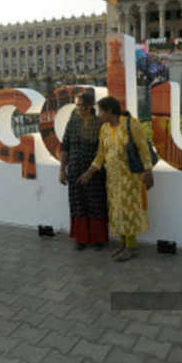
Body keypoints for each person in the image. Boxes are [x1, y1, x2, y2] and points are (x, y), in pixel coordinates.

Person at [78, 96, 154, 262]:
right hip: (112, 179)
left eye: (101, 111)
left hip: (130, 178)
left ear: (110, 111)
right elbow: (101, 154)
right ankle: (123, 244)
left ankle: (131, 247)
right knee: (117, 211)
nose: (98, 114)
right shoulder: (104, 128)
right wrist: (90, 172)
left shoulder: (130, 124)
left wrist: (148, 171)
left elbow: (143, 148)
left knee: (128, 211)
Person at [60, 92, 108, 250]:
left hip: (94, 173)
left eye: (82, 105)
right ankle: (81, 239)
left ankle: (98, 239)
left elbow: (103, 151)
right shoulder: (72, 122)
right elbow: (65, 147)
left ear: (90, 106)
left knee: (96, 205)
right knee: (77, 204)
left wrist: (90, 172)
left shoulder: (100, 124)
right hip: (74, 171)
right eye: (77, 105)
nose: (79, 108)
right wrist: (62, 170)